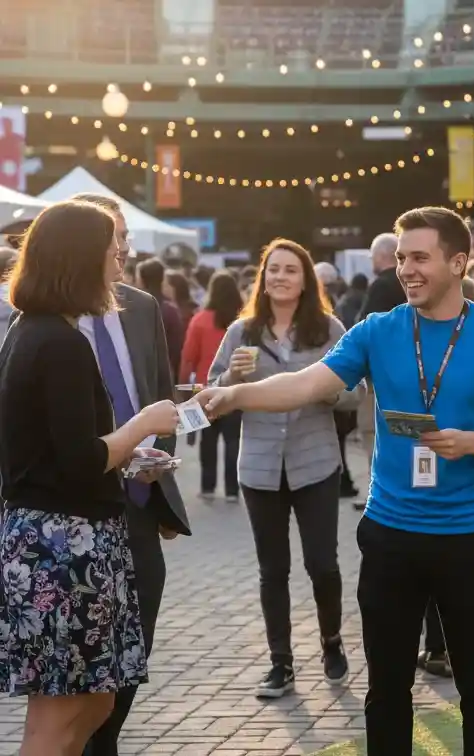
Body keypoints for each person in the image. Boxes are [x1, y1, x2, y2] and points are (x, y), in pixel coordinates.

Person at [195, 206, 474, 755]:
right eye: (401, 257)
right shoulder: (377, 330)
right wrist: (236, 395)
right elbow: (307, 384)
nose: (406, 269)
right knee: (386, 691)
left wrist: (472, 442)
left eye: (420, 257)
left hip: (469, 539)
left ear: (458, 262)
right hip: (389, 536)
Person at [0, 200, 181, 755]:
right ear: (82, 259)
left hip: (71, 540)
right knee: (57, 717)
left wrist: (126, 455)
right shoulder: (58, 343)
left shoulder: (34, 333)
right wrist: (143, 425)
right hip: (61, 547)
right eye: (111, 248)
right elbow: (79, 459)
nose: (121, 257)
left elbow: (57, 451)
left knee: (97, 700)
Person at [207, 239, 356, 699]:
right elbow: (213, 393)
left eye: (291, 270)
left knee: (322, 564)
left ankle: (331, 640)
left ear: (306, 279)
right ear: (262, 278)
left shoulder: (328, 329)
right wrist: (231, 378)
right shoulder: (242, 332)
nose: (280, 278)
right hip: (259, 465)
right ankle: (281, 663)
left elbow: (353, 393)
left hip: (315, 462)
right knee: (273, 569)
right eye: (273, 270)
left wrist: (320, 390)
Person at [71, 194, 192, 756]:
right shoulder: (42, 318)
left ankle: (105, 744)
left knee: (131, 655)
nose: (124, 246)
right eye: (114, 235)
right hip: (71, 512)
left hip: (139, 503)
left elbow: (160, 393)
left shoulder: (142, 307)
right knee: (79, 664)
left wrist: (154, 460)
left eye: (125, 236)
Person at [354, 232, 407, 512]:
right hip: (408, 376)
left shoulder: (380, 287)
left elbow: (365, 329)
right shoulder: (409, 284)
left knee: (372, 433)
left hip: (378, 379)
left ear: (381, 255)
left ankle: (378, 491)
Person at [180, 270, 244, 502]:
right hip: (235, 388)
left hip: (203, 389)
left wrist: (183, 390)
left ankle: (207, 487)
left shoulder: (199, 320)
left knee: (207, 440)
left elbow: (189, 356)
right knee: (233, 440)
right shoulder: (242, 322)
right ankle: (232, 490)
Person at [135, 257, 185, 377]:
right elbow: (177, 347)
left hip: (140, 374)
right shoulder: (171, 310)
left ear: (141, 280)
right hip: (167, 374)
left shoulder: (133, 309)